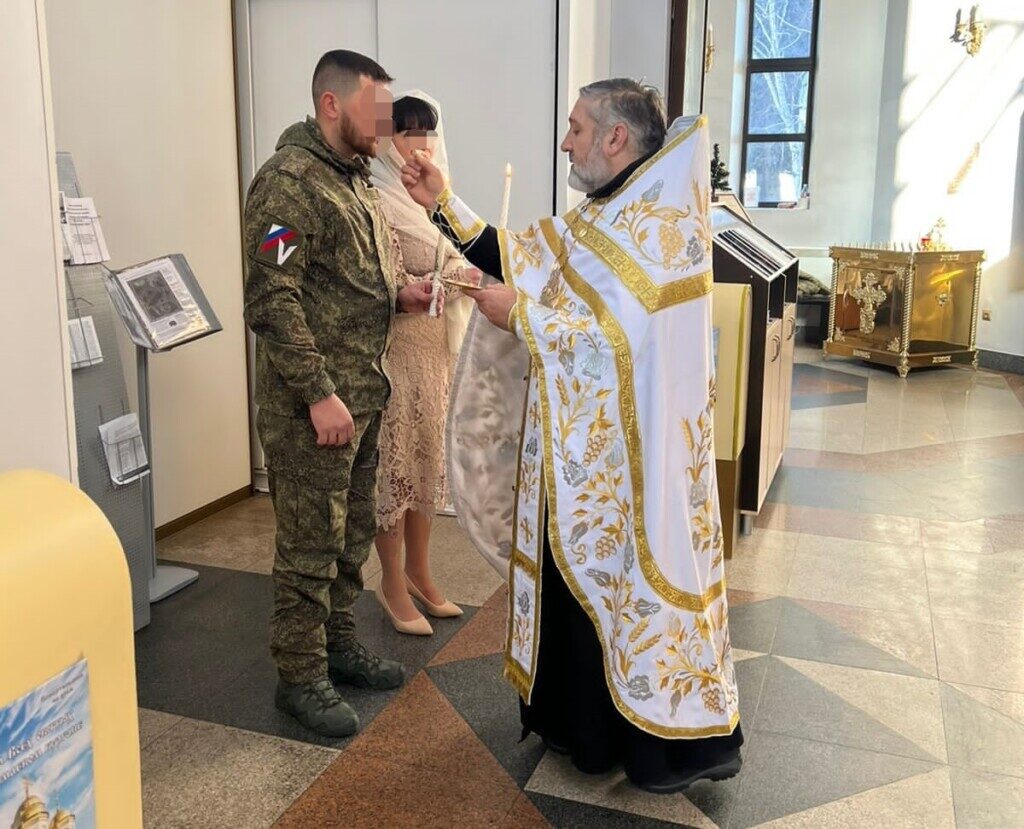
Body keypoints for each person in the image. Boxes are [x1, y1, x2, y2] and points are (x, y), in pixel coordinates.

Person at [402, 79, 743, 792]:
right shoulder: (604, 215)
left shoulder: (660, 227)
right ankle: (580, 727)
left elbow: (621, 341)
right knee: (575, 584)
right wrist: (441, 200)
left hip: (638, 466)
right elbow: (520, 254)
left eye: (576, 128)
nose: (566, 142)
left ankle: (651, 745)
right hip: (582, 457)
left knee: (626, 590)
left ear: (616, 138)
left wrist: (521, 318)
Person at [243, 49, 441, 738]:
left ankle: (336, 643)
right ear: (332, 105)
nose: (385, 125)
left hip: (364, 396)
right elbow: (272, 297)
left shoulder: (353, 181)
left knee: (350, 533)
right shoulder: (288, 183)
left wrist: (399, 292)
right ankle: (299, 676)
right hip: (314, 409)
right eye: (374, 110)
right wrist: (319, 393)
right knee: (308, 543)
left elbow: (347, 276)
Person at [369, 92, 479, 635]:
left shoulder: (433, 198)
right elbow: (373, 279)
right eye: (408, 132)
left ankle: (420, 570)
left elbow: (459, 257)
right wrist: (411, 290)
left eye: (427, 132)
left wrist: (464, 276)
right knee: (396, 467)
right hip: (394, 353)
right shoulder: (374, 194)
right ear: (388, 138)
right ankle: (390, 581)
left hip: (434, 353)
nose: (420, 144)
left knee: (426, 463)